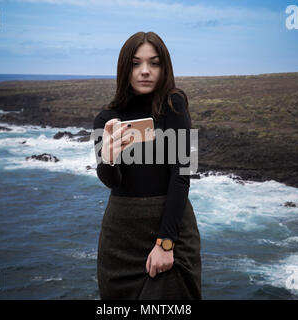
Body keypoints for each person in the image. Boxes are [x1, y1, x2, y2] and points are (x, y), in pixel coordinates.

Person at [92, 31, 201, 300]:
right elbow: (112, 181)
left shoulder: (175, 105)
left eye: (154, 63)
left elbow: (182, 175)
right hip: (120, 238)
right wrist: (107, 157)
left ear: (164, 67)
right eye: (136, 63)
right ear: (124, 69)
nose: (145, 71)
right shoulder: (106, 118)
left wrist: (166, 243)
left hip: (170, 230)